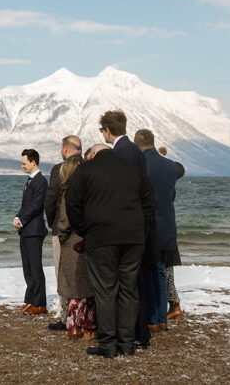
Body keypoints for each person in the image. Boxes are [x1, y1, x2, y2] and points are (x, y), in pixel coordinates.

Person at [66, 137, 154, 359]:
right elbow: (149, 205)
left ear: (93, 154)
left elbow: (72, 202)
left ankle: (107, 343)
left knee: (105, 290)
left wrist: (84, 230)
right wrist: (140, 231)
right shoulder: (133, 170)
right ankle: (126, 342)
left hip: (100, 237)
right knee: (128, 289)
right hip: (133, 239)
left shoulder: (86, 170)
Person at [98, 111, 156, 349]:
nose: (102, 134)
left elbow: (121, 189)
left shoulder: (120, 153)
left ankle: (131, 334)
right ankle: (138, 332)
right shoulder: (135, 151)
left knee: (125, 285)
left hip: (122, 225)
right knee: (133, 283)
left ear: (108, 131)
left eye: (102, 131)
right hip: (135, 224)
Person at [134, 129, 180, 332]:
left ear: (137, 145)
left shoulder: (141, 165)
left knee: (147, 272)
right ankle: (161, 318)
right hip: (168, 225)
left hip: (149, 226)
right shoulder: (170, 166)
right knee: (160, 272)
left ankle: (152, 317)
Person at [55, 155, 95, 340]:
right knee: (88, 285)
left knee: (72, 285)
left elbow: (64, 221)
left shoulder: (69, 192)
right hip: (89, 240)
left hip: (72, 241)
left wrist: (62, 237)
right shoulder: (93, 190)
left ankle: (75, 326)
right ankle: (91, 325)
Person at [45, 135, 82, 330]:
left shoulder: (58, 169)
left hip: (62, 226)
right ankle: (83, 315)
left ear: (65, 150)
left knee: (62, 272)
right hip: (85, 229)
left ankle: (65, 314)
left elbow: (51, 198)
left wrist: (53, 222)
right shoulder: (88, 166)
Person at [15, 148, 48, 314]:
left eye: (24, 163)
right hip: (26, 230)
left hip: (34, 230)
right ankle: (30, 300)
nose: (22, 166)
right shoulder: (29, 181)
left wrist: (23, 219)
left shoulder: (41, 181)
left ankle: (40, 303)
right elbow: (25, 205)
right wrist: (17, 217)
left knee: (35, 267)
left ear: (33, 162)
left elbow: (36, 205)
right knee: (27, 267)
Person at [159, 146, 186, 322]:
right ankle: (174, 305)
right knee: (167, 271)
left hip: (163, 231)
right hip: (168, 230)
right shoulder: (169, 184)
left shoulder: (166, 185)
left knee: (166, 272)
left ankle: (174, 305)